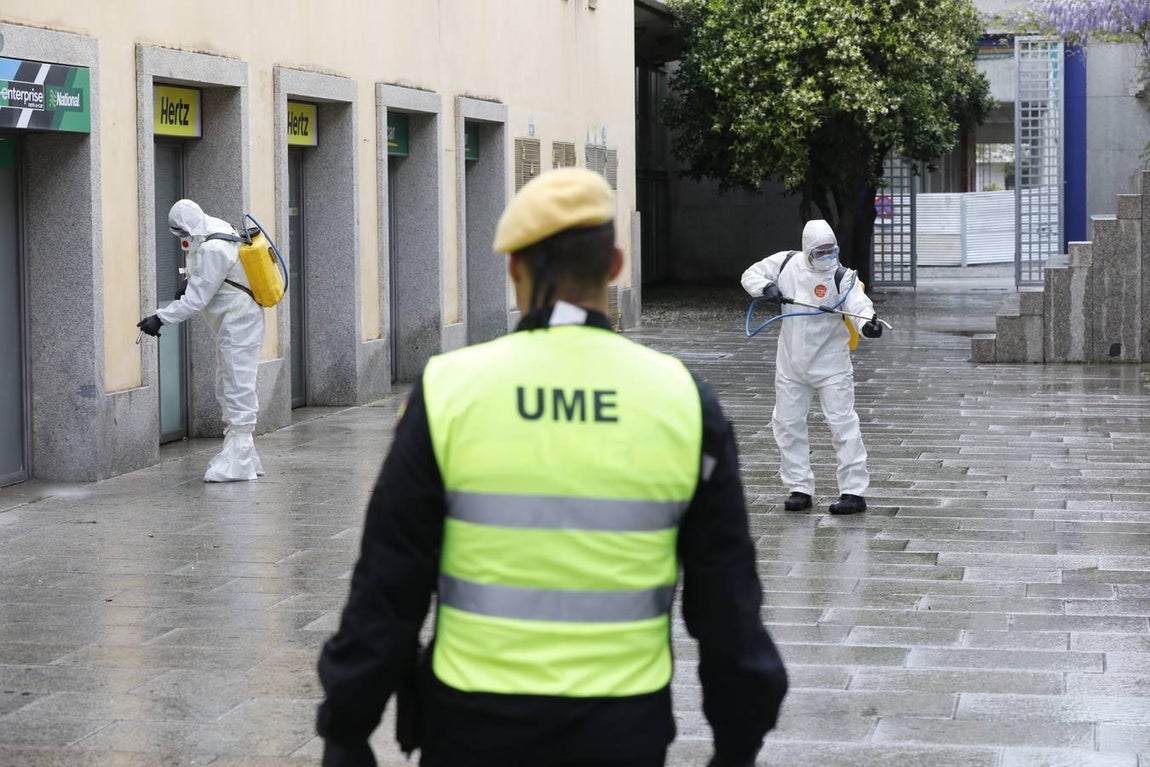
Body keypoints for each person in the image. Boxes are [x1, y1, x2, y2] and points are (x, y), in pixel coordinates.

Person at [315, 168, 788, 767]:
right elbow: (728, 603)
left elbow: (388, 584)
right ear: (616, 265)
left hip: (472, 728)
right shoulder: (684, 401)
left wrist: (347, 726)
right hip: (623, 729)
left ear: (515, 270)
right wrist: (738, 741)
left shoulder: (448, 392)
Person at [740, 219, 884, 515]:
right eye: (821, 251)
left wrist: (867, 323)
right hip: (791, 363)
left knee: (843, 424)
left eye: (831, 250)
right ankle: (799, 487)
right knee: (788, 424)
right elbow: (750, 274)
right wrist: (765, 287)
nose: (827, 256)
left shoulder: (842, 276)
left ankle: (853, 492)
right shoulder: (785, 264)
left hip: (831, 365)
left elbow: (857, 303)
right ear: (807, 250)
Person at [136, 199, 266, 483]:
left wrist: (160, 317)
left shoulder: (212, 247)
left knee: (237, 386)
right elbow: (211, 275)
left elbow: (196, 301)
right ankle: (243, 455)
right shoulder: (216, 228)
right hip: (235, 321)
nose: (182, 238)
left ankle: (240, 462)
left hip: (239, 322)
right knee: (228, 383)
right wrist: (190, 280)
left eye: (181, 232)